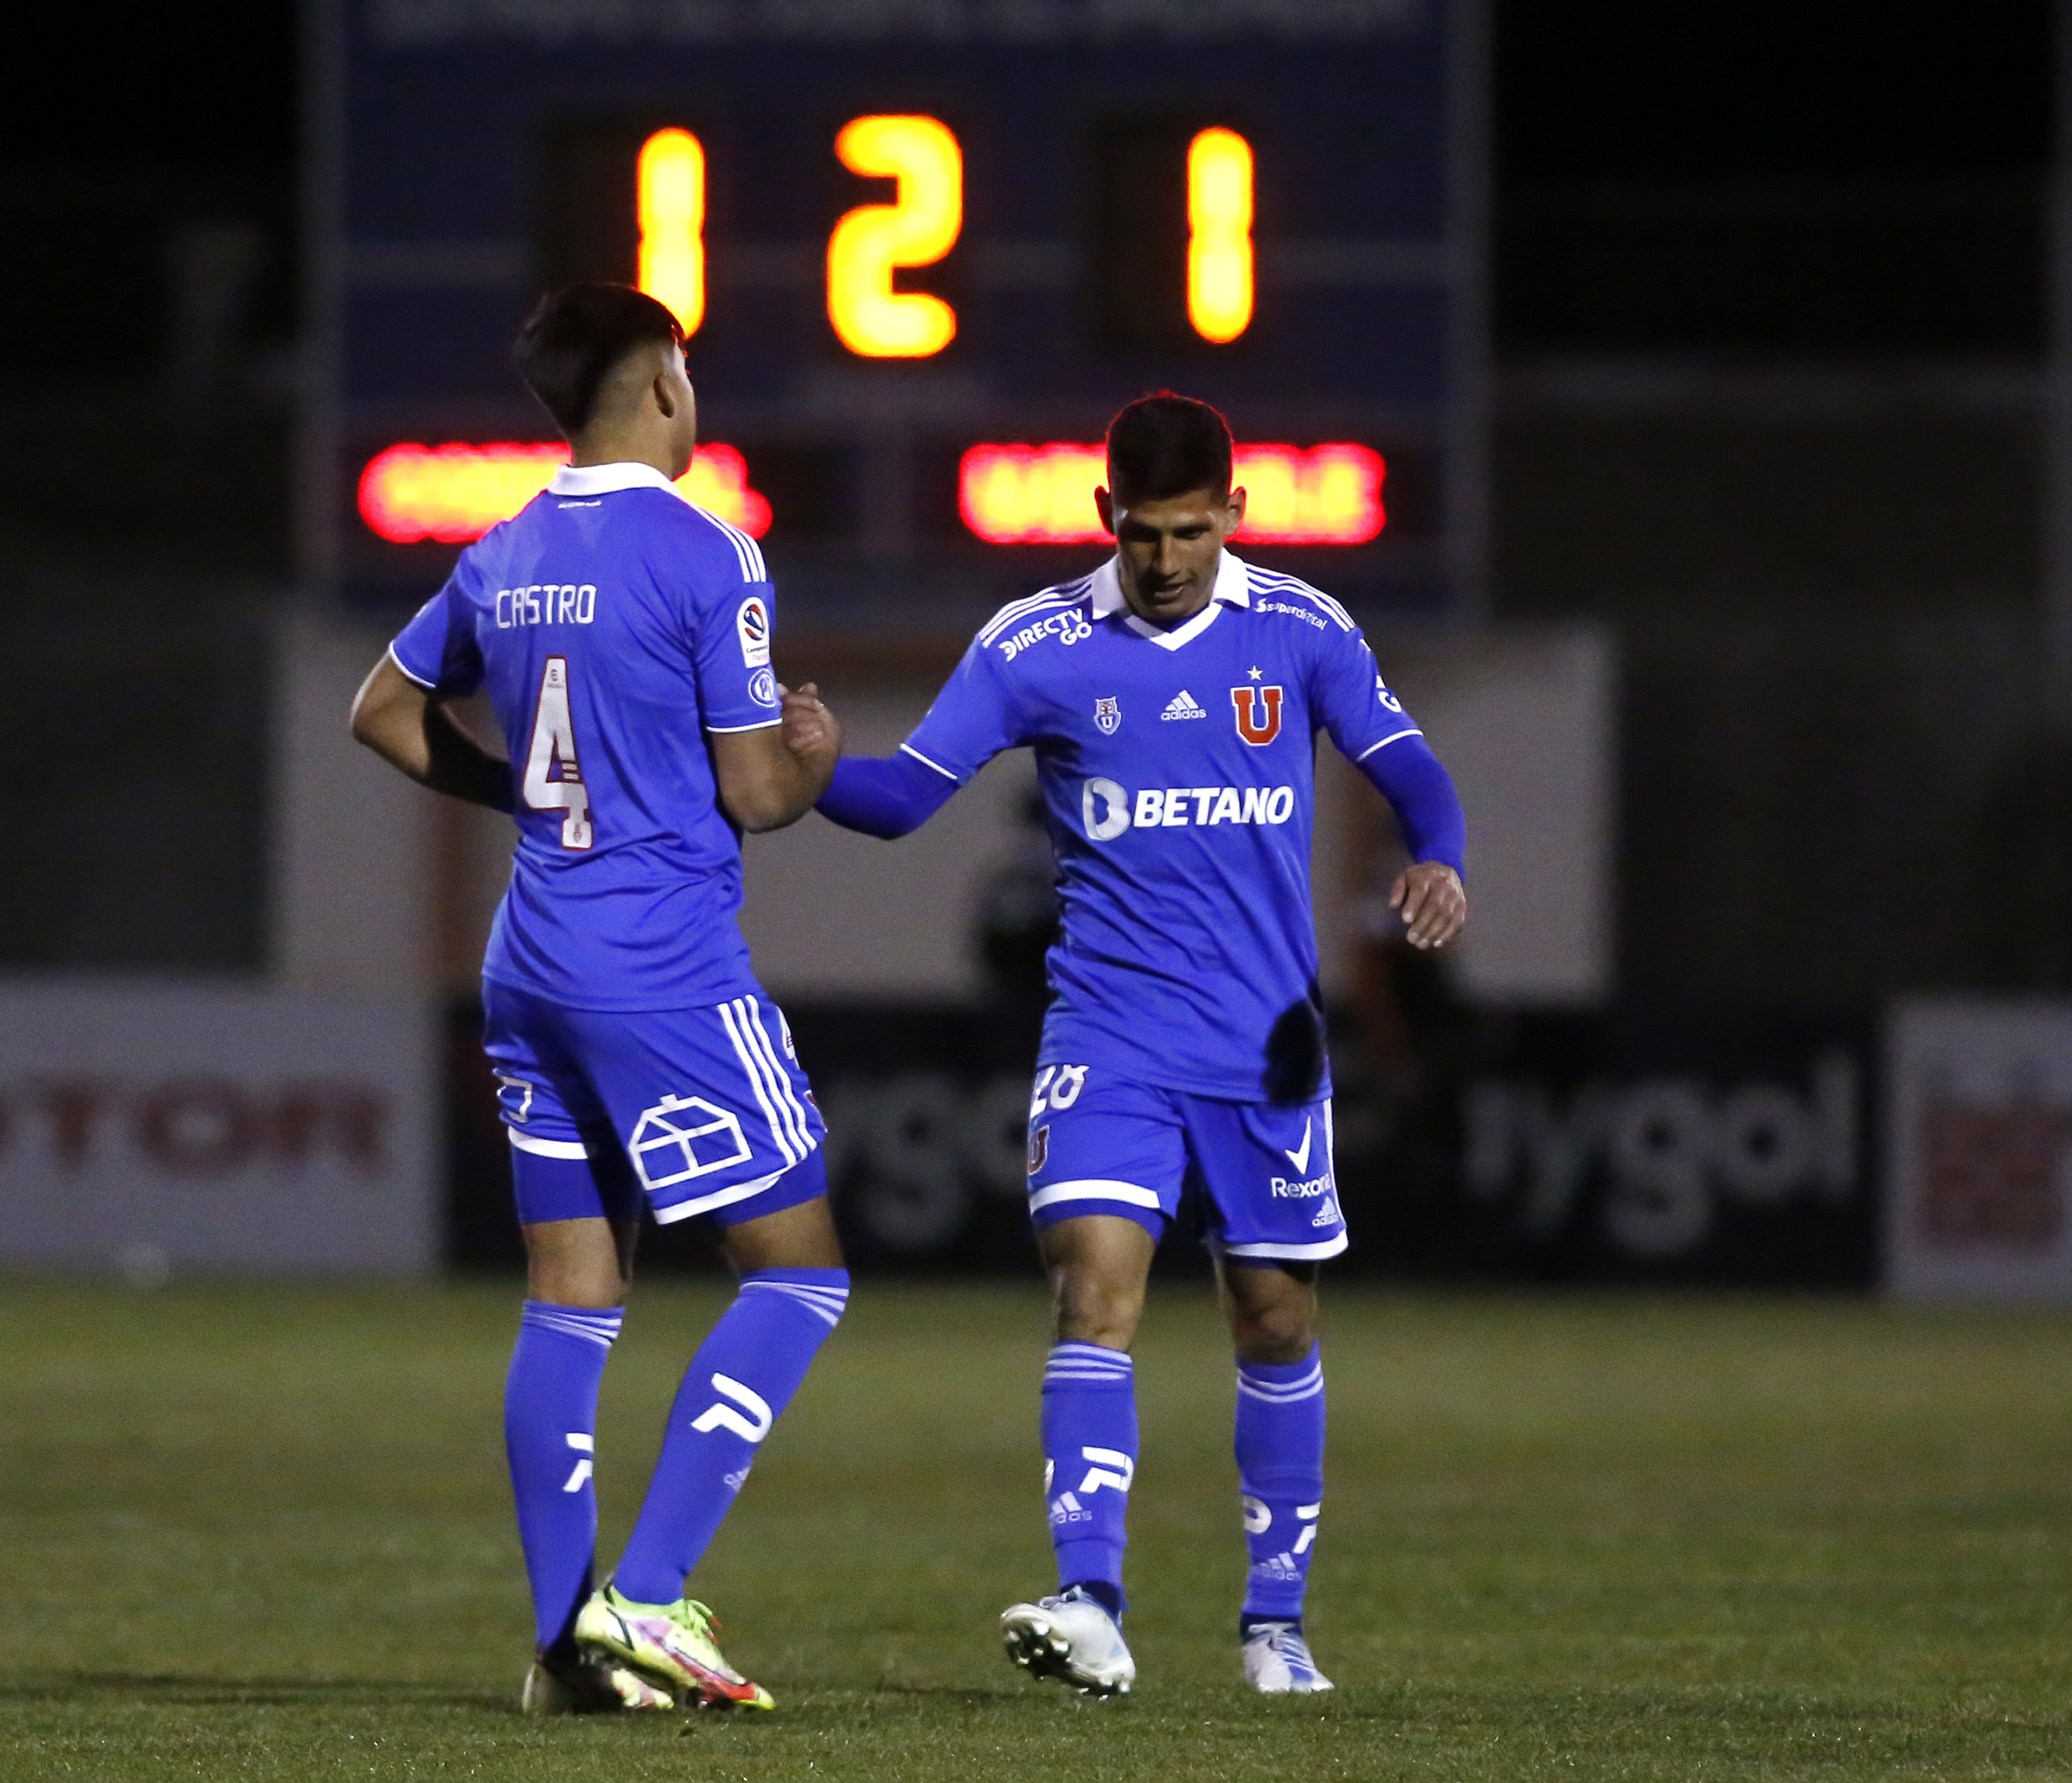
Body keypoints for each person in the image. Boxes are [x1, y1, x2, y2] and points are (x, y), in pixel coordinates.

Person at [814, 392, 1469, 1698]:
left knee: (1273, 1320)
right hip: (1107, 1036)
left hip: (1264, 1045)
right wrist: (811, 763)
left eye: (1189, 532)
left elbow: (1408, 762)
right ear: (1104, 515)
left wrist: (1440, 856)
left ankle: (1274, 1624)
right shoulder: (1035, 646)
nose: (1165, 560)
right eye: (1144, 534)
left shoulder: (1300, 631)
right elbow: (903, 800)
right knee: (1093, 1290)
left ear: (1236, 513)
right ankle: (1091, 1599)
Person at [350, 283, 847, 1714]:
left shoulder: (502, 552)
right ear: (668, 385)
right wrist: (812, 755)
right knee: (801, 1269)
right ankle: (647, 1597)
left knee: (572, 1293)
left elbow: (380, 713)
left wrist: (525, 796)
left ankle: (570, 1641)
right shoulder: (712, 551)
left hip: (531, 961)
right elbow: (758, 788)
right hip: (663, 971)